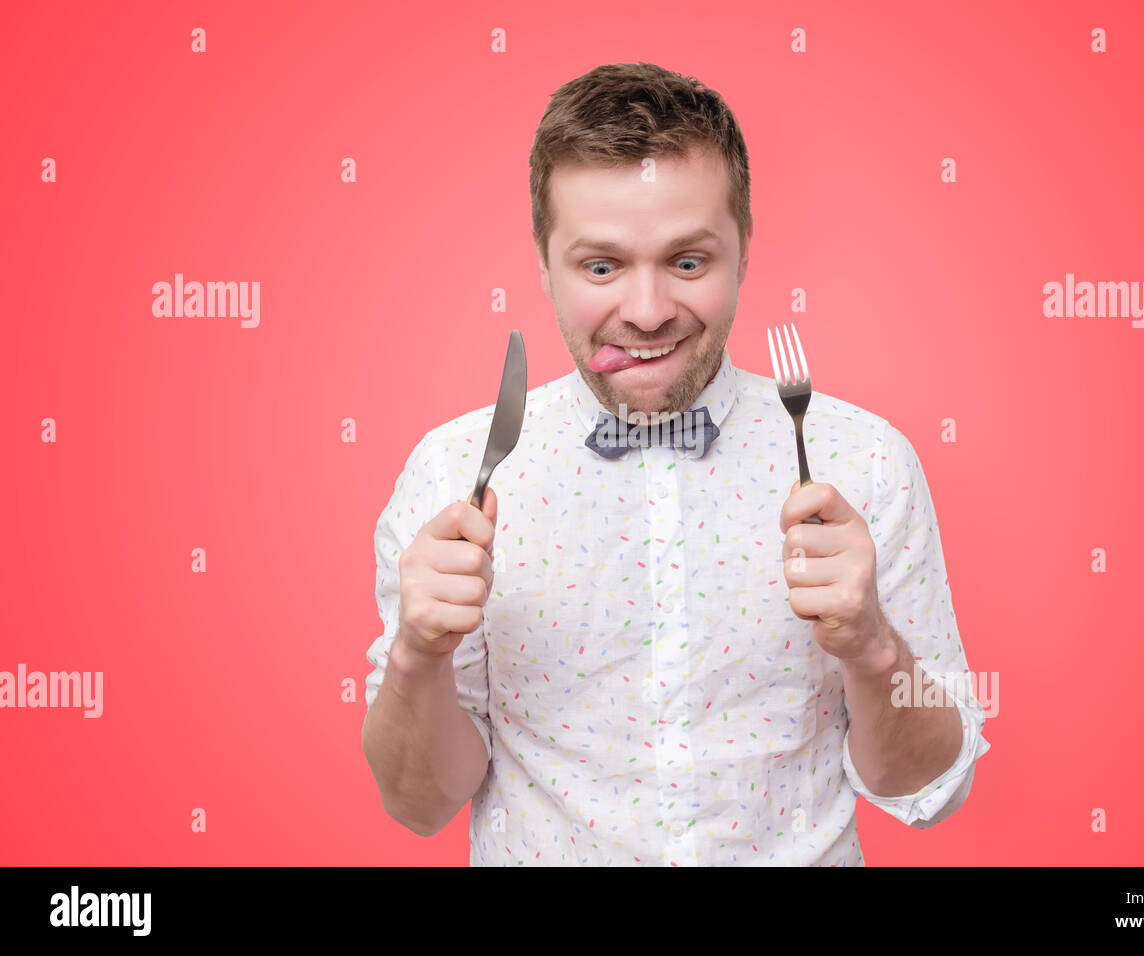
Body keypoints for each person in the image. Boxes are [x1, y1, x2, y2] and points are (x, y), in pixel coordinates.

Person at [361, 62, 991, 866]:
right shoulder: (455, 472)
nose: (650, 310)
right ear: (544, 261)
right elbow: (420, 806)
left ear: (744, 249)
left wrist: (871, 648)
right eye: (601, 267)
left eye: (689, 262)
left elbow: (927, 789)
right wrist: (419, 655)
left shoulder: (861, 461)